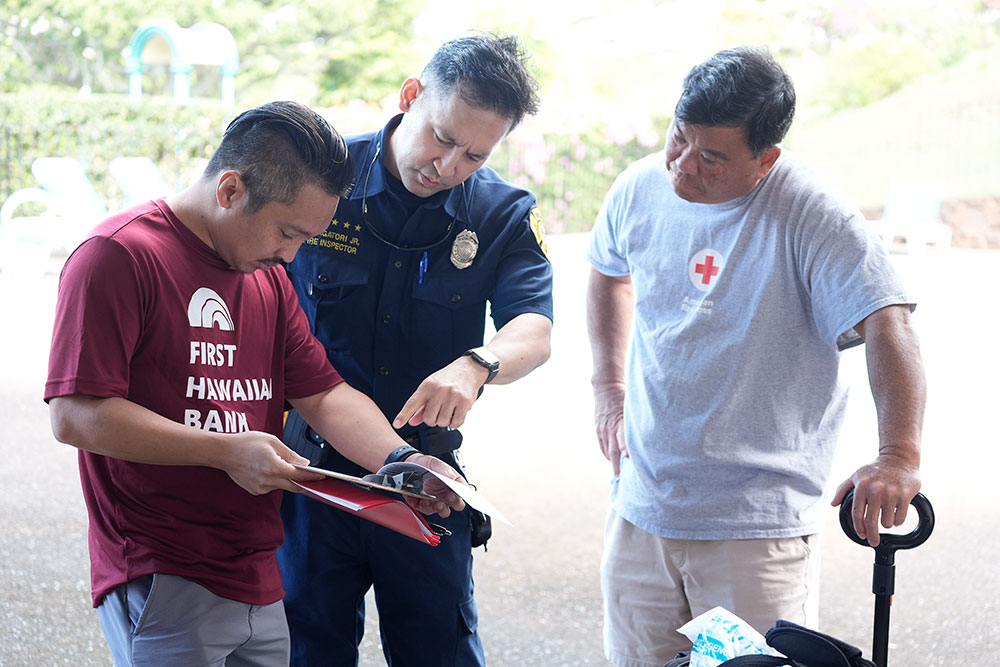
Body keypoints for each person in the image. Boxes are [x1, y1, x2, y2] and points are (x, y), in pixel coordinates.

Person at [44, 101, 465, 667]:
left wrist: (402, 458)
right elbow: (76, 413)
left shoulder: (266, 277)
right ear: (230, 189)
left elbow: (323, 394)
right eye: (287, 232)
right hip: (162, 566)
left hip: (259, 571)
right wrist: (224, 452)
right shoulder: (119, 255)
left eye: (306, 239)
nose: (291, 255)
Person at [586, 46, 925, 666]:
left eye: (711, 157)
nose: (684, 166)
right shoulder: (640, 188)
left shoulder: (812, 214)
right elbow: (608, 273)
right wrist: (609, 389)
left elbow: (888, 318)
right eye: (679, 139)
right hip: (642, 511)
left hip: (752, 532)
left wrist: (898, 456)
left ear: (765, 159)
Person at [278, 34, 553, 666]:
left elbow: (533, 330)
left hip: (426, 481)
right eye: (442, 137)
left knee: (441, 652)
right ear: (410, 97)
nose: (449, 165)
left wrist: (478, 363)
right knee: (305, 652)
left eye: (475, 155)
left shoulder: (501, 214)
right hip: (312, 478)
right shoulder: (322, 180)